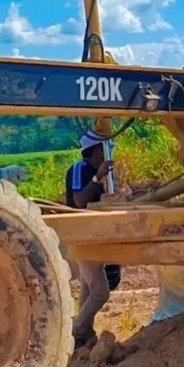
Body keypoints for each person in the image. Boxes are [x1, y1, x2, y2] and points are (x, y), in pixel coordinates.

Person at [65, 130, 120, 346]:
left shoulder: (93, 172)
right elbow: (79, 201)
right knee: (100, 292)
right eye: (104, 151)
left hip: (92, 237)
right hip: (81, 236)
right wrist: (98, 177)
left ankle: (84, 335)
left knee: (88, 290)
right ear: (96, 151)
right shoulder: (81, 169)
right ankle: (75, 331)